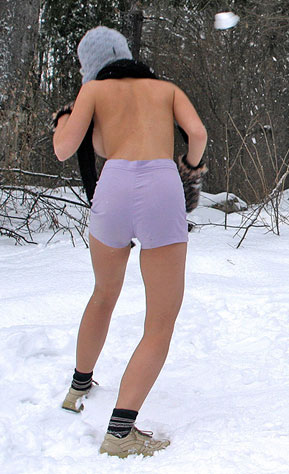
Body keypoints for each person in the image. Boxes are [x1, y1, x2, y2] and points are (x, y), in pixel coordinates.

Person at [52, 26, 207, 456]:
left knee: (103, 294)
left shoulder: (93, 91)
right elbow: (197, 134)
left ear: (91, 66)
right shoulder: (166, 89)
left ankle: (78, 387)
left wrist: (63, 119)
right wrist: (189, 169)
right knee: (160, 320)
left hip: (114, 185)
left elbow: (64, 148)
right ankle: (121, 431)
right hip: (161, 185)